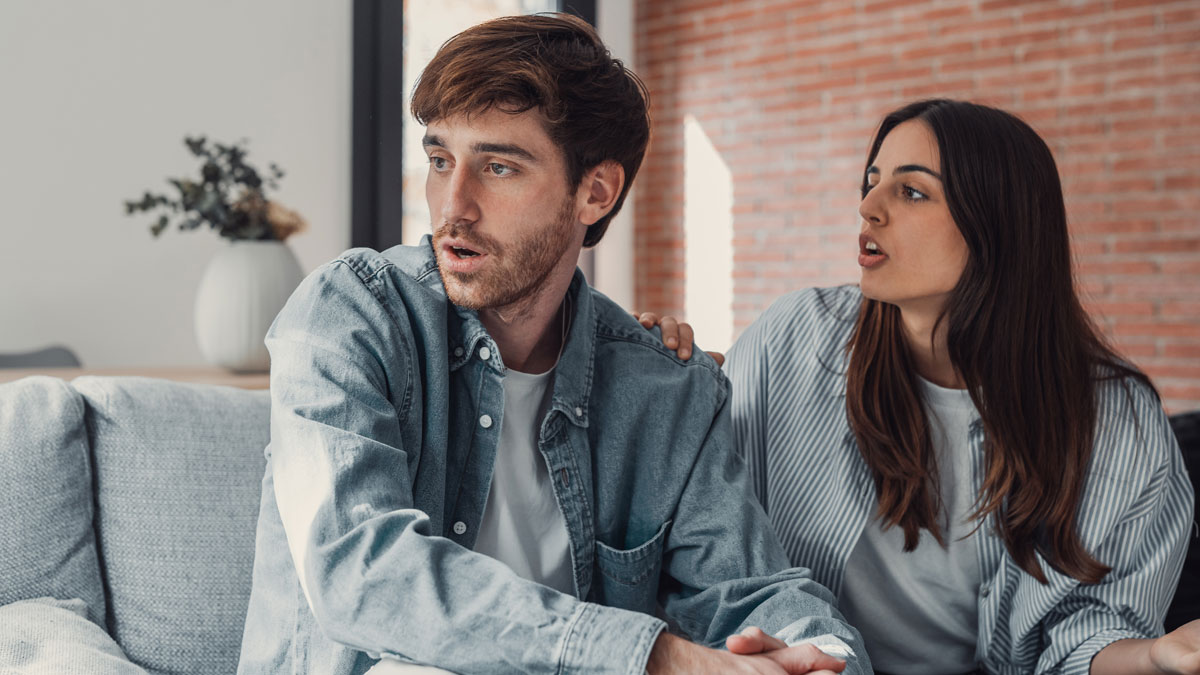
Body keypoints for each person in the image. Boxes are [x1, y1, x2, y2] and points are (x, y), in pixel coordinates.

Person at [236, 13, 869, 675]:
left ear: (596, 192)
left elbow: (750, 589)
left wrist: (823, 659)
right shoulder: (349, 315)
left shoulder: (664, 389)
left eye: (498, 167)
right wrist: (651, 656)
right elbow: (363, 573)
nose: (453, 207)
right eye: (440, 160)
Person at [642, 98, 1198, 674]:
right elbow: (700, 524)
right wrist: (651, 383)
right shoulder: (793, 338)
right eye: (872, 181)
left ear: (999, 225)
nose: (867, 207)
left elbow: (1088, 635)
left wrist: (1155, 655)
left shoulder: (1116, 417)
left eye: (911, 191)